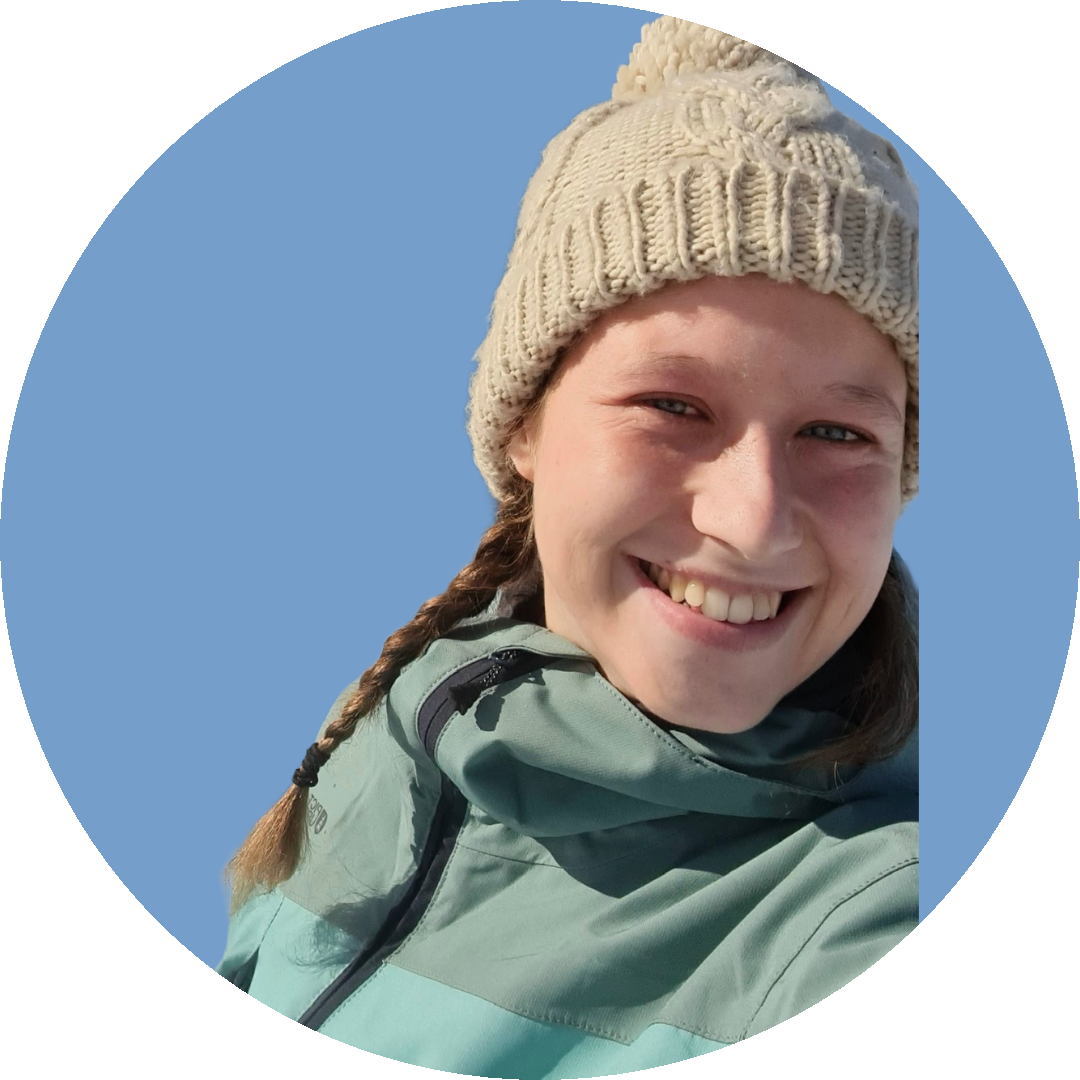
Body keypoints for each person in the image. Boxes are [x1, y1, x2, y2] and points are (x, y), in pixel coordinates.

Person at [217, 17, 919, 1068]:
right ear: (525, 428)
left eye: (836, 433)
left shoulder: (867, 913)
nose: (753, 518)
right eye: (673, 406)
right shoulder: (391, 738)